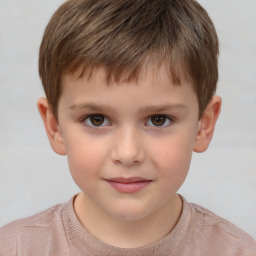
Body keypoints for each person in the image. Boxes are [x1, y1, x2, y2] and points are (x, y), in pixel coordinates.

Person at [0, 0, 255, 255]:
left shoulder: (237, 251)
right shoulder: (14, 248)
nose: (128, 153)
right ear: (55, 127)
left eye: (158, 119)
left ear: (203, 126)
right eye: (96, 119)